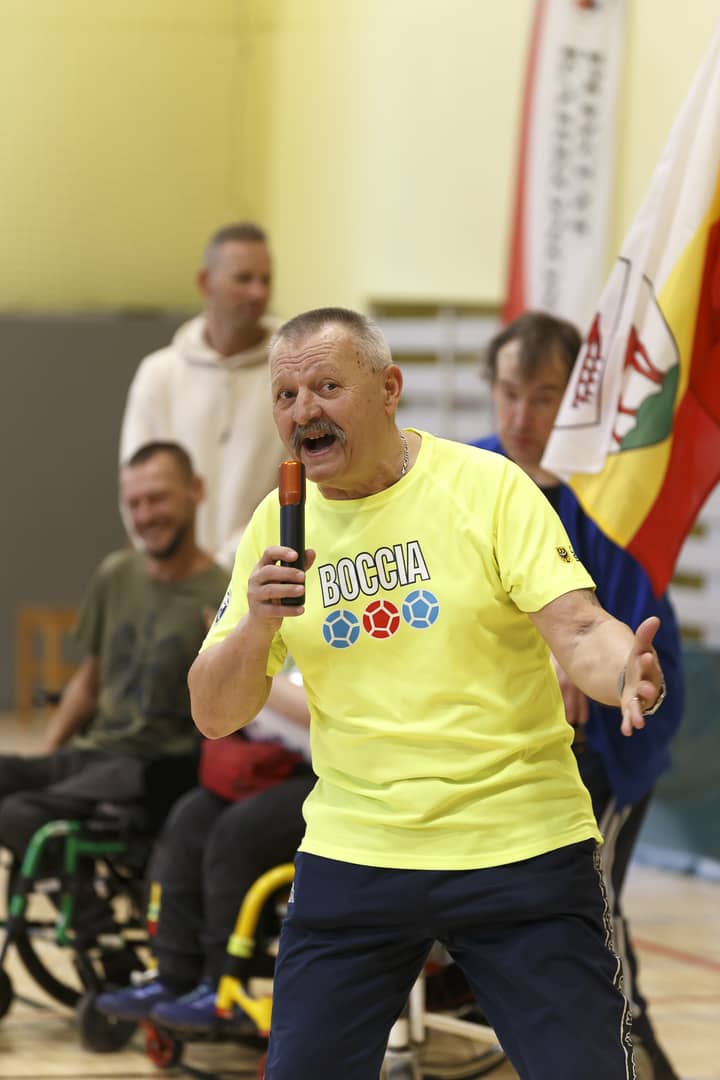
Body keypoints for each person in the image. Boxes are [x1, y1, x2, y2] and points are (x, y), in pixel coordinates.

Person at [188, 307, 667, 1080]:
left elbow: (580, 627)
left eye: (326, 387)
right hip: (357, 851)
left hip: (516, 844)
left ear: (389, 389)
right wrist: (255, 626)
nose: (303, 411)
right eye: (285, 395)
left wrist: (624, 671)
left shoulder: (487, 487)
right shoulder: (275, 525)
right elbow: (214, 713)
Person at [470, 310, 684, 1080]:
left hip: (610, 741)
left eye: (545, 398)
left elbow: (618, 640)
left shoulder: (610, 494)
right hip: (509, 740)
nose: (523, 417)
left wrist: (589, 661)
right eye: (510, 393)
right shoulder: (471, 477)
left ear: (577, 402)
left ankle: (640, 1061)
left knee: (590, 910)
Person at [0, 441, 228, 866]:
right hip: (93, 754)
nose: (145, 515)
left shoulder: (222, 593)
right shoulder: (115, 575)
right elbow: (90, 682)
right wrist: (49, 756)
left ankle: (84, 905)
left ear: (195, 490)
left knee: (19, 813)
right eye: (134, 504)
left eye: (157, 499)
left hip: (154, 768)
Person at [95, 673, 314, 1035]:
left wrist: (260, 681)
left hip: (332, 778)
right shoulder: (271, 639)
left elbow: (325, 711)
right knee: (190, 817)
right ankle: (174, 973)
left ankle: (223, 981)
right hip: (268, 760)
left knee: (239, 831)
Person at [120, 222, 286, 569]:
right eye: (244, 279)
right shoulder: (159, 374)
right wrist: (182, 567)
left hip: (262, 571)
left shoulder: (290, 372)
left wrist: (226, 564)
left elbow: (295, 486)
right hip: (172, 573)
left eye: (265, 280)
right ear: (205, 282)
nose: (258, 293)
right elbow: (136, 484)